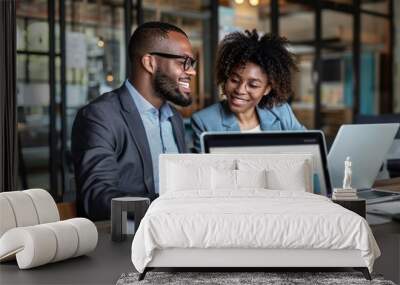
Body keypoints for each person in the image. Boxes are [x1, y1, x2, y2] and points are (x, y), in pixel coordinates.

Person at [71, 22, 197, 220]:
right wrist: (168, 206)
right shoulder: (100, 116)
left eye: (192, 64)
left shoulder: (175, 119)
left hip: (177, 233)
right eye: (184, 62)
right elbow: (96, 201)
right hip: (125, 240)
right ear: (149, 63)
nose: (192, 72)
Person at [191, 30, 304, 153]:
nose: (240, 90)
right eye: (234, 80)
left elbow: (308, 151)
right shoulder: (205, 122)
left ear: (267, 89)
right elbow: (204, 169)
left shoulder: (281, 112)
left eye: (253, 85)